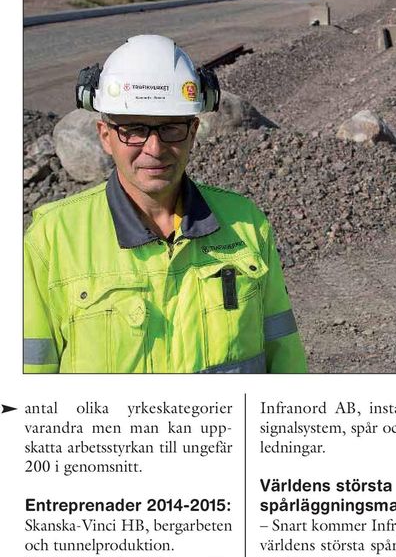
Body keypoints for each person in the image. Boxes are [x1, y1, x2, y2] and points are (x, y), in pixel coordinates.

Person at [24, 34, 307, 375]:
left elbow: (285, 360)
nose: (154, 149)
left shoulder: (246, 225)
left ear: (193, 130)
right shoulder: (53, 240)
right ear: (105, 135)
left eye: (171, 127)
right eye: (135, 129)